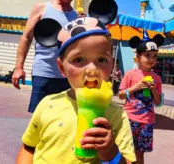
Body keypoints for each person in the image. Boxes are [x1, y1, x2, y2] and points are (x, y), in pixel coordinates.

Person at [16, 17, 137, 163]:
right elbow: (29, 148)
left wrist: (111, 152)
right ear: (62, 68)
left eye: (102, 60)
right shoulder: (47, 105)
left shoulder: (117, 116)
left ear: (111, 65)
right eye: (79, 60)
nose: (92, 70)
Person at [12, 0, 82, 113]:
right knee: (39, 119)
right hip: (43, 73)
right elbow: (26, 37)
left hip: (67, 77)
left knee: (62, 120)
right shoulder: (42, 9)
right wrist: (18, 67)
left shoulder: (77, 17)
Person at [118, 32, 163, 164]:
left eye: (154, 56)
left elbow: (158, 102)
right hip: (129, 119)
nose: (151, 59)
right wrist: (136, 87)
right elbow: (121, 95)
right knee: (125, 150)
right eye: (147, 55)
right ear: (138, 57)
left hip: (147, 121)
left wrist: (154, 89)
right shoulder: (130, 74)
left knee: (140, 153)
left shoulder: (157, 78)